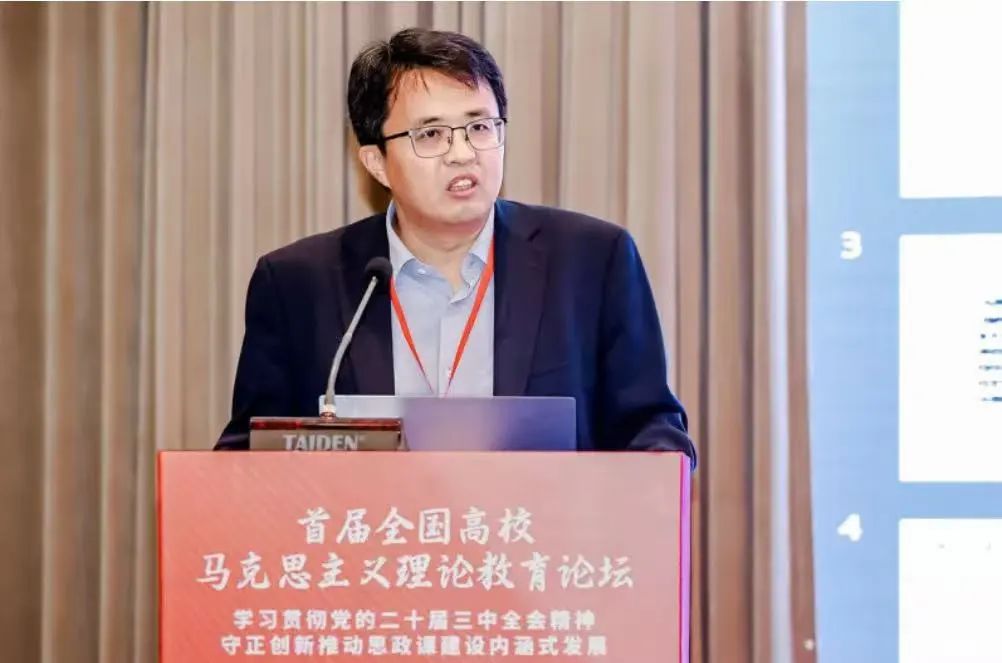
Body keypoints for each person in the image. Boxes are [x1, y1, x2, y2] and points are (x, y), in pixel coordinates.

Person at [216, 27, 695, 463]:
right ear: (377, 162)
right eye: (431, 134)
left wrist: (657, 468)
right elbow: (249, 454)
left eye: (480, 127)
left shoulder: (591, 261)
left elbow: (651, 427)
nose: (463, 153)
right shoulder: (298, 284)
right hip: (376, 533)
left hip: (536, 531)